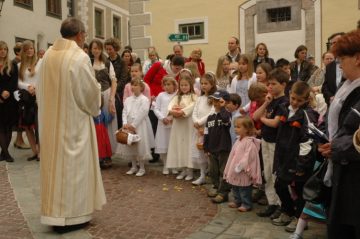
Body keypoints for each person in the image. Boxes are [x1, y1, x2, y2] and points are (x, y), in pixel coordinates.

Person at [37, 17, 106, 231]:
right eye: (84, 34)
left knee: (55, 170)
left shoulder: (47, 56)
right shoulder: (78, 57)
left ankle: (53, 215)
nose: (85, 38)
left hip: (49, 124)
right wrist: (97, 101)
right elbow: (88, 93)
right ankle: (72, 217)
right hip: (74, 124)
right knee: (74, 169)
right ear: (79, 35)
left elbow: (39, 87)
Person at [318, 29, 360, 239]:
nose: (339, 63)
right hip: (344, 167)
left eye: (342, 58)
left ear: (358, 58)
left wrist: (337, 147)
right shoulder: (348, 85)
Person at [272, 81, 317, 232]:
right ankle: (288, 211)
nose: (295, 102)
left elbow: (308, 141)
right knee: (279, 185)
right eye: (293, 98)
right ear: (289, 94)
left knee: (299, 190)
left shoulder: (307, 114)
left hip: (299, 159)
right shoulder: (284, 108)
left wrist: (302, 164)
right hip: (284, 156)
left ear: (306, 100)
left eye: (299, 100)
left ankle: (300, 219)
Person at [253, 68, 289, 218]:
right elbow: (255, 116)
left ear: (283, 85)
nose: (270, 87)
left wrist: (262, 119)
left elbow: (274, 123)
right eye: (269, 84)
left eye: (273, 84)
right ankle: (271, 202)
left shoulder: (284, 102)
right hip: (265, 140)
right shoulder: (271, 101)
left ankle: (281, 205)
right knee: (267, 173)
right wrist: (266, 104)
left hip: (276, 142)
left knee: (275, 175)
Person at [224, 116, 262, 212]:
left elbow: (248, 156)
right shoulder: (238, 140)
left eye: (238, 127)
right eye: (235, 126)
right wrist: (230, 166)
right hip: (235, 168)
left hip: (243, 169)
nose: (235, 129)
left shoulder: (249, 142)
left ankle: (246, 204)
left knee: (244, 188)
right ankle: (237, 201)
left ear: (247, 129)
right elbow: (233, 153)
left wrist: (241, 166)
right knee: (235, 186)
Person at [119, 78, 155, 177]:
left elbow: (143, 113)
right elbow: (124, 111)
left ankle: (142, 167)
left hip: (139, 126)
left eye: (135, 85)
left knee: (140, 146)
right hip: (129, 125)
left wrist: (134, 125)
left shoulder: (144, 100)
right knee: (130, 145)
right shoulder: (128, 100)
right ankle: (133, 166)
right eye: (132, 85)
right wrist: (125, 123)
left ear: (141, 87)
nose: (133, 87)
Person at [166, 70, 197, 180]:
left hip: (188, 125)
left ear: (190, 85)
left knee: (188, 145)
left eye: (186, 85)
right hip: (178, 125)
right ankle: (183, 169)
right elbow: (170, 106)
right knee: (179, 145)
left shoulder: (194, 96)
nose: (184, 87)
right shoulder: (176, 97)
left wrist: (182, 111)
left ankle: (190, 171)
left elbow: (192, 107)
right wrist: (173, 111)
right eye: (182, 85)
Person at [89, 39, 118, 155]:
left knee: (109, 122)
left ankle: (109, 152)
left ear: (101, 49)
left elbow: (114, 81)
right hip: (93, 96)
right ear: (91, 49)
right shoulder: (88, 62)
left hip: (107, 94)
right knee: (97, 124)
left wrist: (111, 99)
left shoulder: (107, 62)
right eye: (94, 48)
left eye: (98, 48)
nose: (96, 50)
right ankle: (98, 152)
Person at [204, 90, 232, 204]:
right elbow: (206, 133)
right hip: (212, 148)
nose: (215, 103)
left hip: (223, 148)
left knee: (223, 171)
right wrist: (206, 148)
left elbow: (226, 121)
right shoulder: (210, 117)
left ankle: (223, 193)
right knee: (213, 171)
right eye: (214, 100)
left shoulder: (226, 114)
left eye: (218, 100)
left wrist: (223, 107)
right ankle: (216, 188)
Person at [191, 72, 217, 185]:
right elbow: (195, 111)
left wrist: (201, 123)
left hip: (209, 128)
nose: (203, 85)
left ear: (212, 84)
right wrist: (196, 122)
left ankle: (212, 175)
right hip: (199, 129)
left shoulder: (214, 98)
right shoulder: (200, 98)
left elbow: (212, 113)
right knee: (200, 152)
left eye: (206, 83)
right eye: (202, 83)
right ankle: (202, 175)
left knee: (209, 153)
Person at [18, 40, 42, 161]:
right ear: (23, 51)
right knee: (27, 126)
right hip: (26, 99)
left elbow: (44, 78)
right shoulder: (19, 65)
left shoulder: (40, 63)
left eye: (31, 48)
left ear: (34, 49)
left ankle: (40, 153)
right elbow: (18, 82)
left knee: (38, 125)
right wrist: (28, 87)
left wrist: (36, 88)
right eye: (27, 49)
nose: (29, 51)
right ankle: (34, 151)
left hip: (39, 97)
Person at [153, 76, 177, 175]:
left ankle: (174, 165)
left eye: (169, 84)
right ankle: (165, 165)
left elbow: (178, 108)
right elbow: (156, 108)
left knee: (173, 145)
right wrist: (163, 118)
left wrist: (171, 117)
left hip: (173, 123)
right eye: (165, 85)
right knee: (164, 145)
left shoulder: (177, 95)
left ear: (174, 85)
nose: (167, 87)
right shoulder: (161, 95)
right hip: (162, 124)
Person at [104, 37, 130, 129]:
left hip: (118, 94)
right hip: (107, 93)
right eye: (106, 49)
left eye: (110, 49)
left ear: (116, 49)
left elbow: (123, 79)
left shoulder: (122, 62)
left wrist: (114, 90)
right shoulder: (105, 62)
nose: (108, 51)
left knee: (118, 117)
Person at [0, 41, 18, 162]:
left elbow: (14, 81)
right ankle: (6, 154)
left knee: (8, 127)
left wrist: (7, 92)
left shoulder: (12, 64)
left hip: (10, 100)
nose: (3, 51)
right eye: (1, 49)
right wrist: (1, 94)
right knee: (1, 126)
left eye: (5, 49)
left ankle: (3, 153)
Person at [11, 42, 30, 150]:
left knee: (21, 117)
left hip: (20, 93)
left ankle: (18, 140)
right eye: (24, 50)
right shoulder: (16, 63)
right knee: (20, 117)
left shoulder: (19, 62)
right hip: (19, 94)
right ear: (19, 52)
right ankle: (19, 140)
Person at [321, 32, 346, 105]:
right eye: (332, 44)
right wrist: (331, 97)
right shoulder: (329, 66)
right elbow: (325, 87)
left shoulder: (352, 62)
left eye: (336, 43)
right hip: (332, 104)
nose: (333, 46)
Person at [94, 96, 113, 169]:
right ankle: (97, 160)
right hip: (95, 130)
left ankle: (102, 160)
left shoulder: (102, 111)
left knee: (103, 145)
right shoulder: (91, 112)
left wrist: (111, 115)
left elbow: (107, 120)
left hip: (102, 131)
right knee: (97, 144)